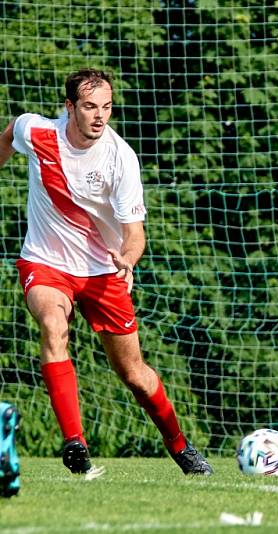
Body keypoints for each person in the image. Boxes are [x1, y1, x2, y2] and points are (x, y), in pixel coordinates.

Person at [0, 68, 213, 476]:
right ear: (69, 108)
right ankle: (75, 444)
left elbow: (135, 235)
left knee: (134, 374)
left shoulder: (121, 158)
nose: (100, 115)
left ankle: (181, 446)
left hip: (103, 272)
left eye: (107, 107)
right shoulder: (38, 131)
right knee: (52, 325)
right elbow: (10, 134)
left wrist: (127, 261)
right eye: (90, 106)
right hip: (47, 263)